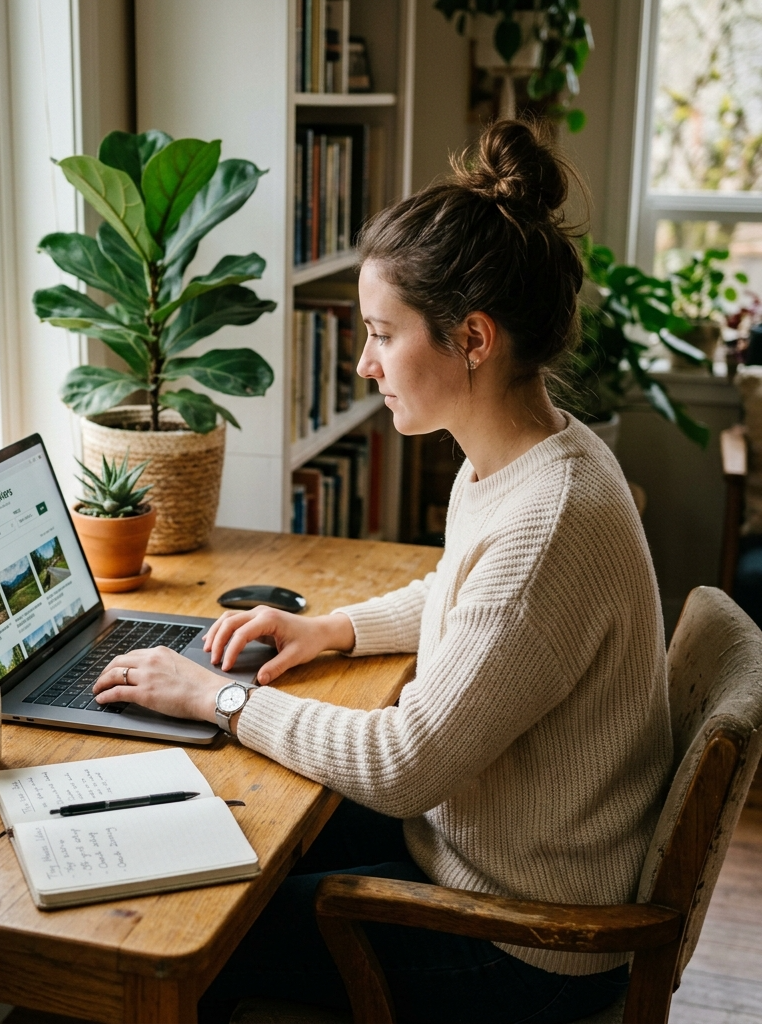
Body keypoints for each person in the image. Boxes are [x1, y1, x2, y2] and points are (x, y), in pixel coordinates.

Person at [92, 118, 672, 1024]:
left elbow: (402, 767)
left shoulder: (548, 522)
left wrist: (216, 695)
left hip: (528, 938)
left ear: (472, 339)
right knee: (241, 825)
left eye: (380, 333)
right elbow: (467, 596)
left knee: (196, 928)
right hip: (492, 851)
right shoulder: (537, 457)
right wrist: (330, 629)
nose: (363, 363)